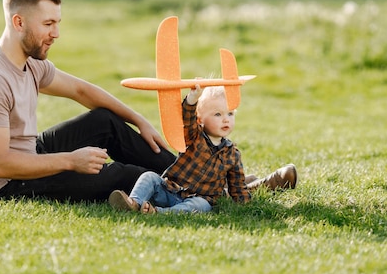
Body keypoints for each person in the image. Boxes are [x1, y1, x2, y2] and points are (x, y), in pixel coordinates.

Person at [0, 0, 177, 201]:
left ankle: (189, 176)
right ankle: (183, 191)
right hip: (7, 186)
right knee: (126, 175)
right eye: (48, 24)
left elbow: (80, 90)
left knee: (104, 121)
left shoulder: (30, 62)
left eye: (57, 23)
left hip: (31, 153)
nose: (56, 33)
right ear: (19, 23)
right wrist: (71, 161)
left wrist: (138, 120)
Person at [108, 85, 298, 214]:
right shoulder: (194, 137)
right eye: (217, 114)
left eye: (230, 114)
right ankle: (133, 203)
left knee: (202, 205)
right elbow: (187, 121)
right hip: (170, 190)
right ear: (200, 120)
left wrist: (246, 203)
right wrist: (191, 101)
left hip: (196, 199)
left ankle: (160, 213)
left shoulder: (233, 154)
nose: (225, 119)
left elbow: (238, 188)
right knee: (150, 177)